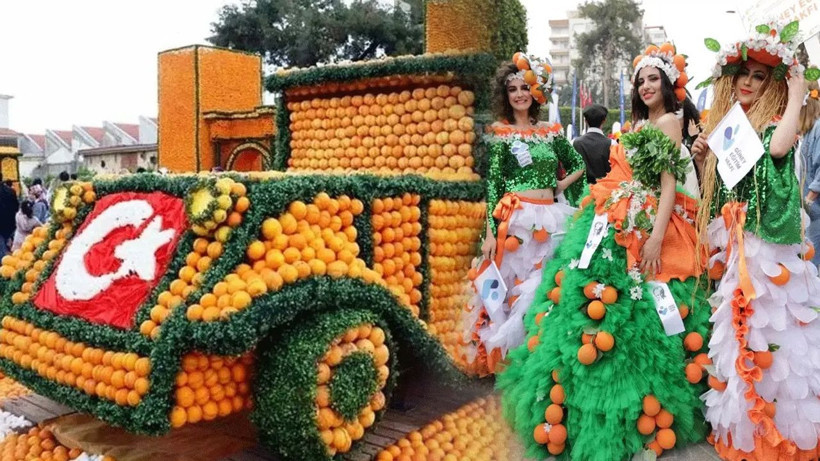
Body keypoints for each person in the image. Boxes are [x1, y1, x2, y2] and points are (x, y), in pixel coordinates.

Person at [498, 43, 711, 460]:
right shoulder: (639, 122)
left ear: (668, 84)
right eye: (640, 81)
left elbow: (668, 186)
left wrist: (654, 237)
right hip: (611, 218)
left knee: (641, 311)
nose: (646, 86)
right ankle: (577, 401)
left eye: (653, 79)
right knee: (592, 305)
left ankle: (637, 408)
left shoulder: (669, 121)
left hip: (646, 224)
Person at [691, 21, 820, 460]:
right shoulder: (732, 129)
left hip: (769, 253)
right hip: (737, 250)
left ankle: (781, 434)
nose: (747, 82)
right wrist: (703, 158)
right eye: (743, 74)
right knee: (743, 344)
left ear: (773, 85)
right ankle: (752, 432)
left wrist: (799, 86)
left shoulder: (773, 126)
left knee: (774, 340)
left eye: (759, 76)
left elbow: (780, 149)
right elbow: (727, 187)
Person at [461, 53, 586, 376]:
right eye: (512, 89)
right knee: (511, 290)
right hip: (516, 223)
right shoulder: (502, 134)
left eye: (524, 88)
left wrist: (560, 186)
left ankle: (540, 354)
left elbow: (578, 165)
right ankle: (508, 359)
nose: (519, 94)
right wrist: (490, 233)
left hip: (553, 218)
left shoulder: (551, 132)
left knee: (545, 286)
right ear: (506, 96)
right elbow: (494, 186)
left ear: (536, 93)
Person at [800, 82, 820, 265]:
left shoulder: (818, 129)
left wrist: (808, 200)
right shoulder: (807, 132)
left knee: (811, 265)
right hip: (808, 211)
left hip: (815, 211)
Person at [573, 103, 613, 183]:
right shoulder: (612, 144)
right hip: (604, 190)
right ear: (604, 121)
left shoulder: (576, 142)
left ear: (585, 121)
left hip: (582, 192)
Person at [0, 178, 19, 257]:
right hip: (10, 222)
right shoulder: (11, 191)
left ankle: (4, 261)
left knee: (2, 244)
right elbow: (16, 207)